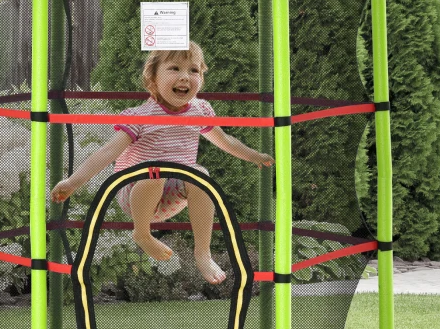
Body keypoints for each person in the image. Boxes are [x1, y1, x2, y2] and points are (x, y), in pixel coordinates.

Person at [51, 42, 274, 284]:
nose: (185, 77)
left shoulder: (199, 111)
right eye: (175, 68)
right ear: (153, 79)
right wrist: (74, 182)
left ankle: (203, 253)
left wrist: (254, 156)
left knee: (200, 174)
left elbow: (226, 141)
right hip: (134, 192)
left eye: (194, 70)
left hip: (170, 195)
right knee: (154, 172)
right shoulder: (140, 116)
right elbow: (107, 152)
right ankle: (143, 233)